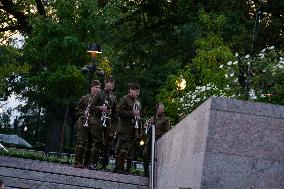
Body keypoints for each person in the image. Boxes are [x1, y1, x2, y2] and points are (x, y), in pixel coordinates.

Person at [89, 76, 117, 170]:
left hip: (108, 123)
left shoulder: (113, 97)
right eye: (110, 83)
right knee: (98, 142)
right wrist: (100, 108)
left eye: (113, 83)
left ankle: (104, 166)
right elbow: (91, 107)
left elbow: (115, 114)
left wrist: (114, 129)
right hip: (97, 121)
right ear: (105, 84)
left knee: (107, 144)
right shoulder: (99, 94)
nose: (112, 84)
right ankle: (92, 163)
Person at [113, 82, 141, 174]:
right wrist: (132, 114)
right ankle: (119, 168)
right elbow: (119, 112)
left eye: (138, 92)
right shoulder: (124, 99)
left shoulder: (137, 102)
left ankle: (117, 168)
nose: (138, 93)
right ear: (131, 91)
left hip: (132, 129)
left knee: (122, 148)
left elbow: (137, 116)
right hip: (124, 128)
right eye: (136, 91)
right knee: (123, 147)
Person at [74, 80, 101, 168]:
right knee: (81, 142)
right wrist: (83, 113)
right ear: (91, 88)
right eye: (96, 87)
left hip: (94, 124)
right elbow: (77, 110)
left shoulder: (100, 101)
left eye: (99, 88)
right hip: (83, 122)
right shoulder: (85, 98)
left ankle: (86, 163)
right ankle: (78, 162)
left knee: (91, 144)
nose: (98, 89)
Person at [142, 103, 171, 177]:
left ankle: (154, 174)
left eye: (159, 108)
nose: (157, 109)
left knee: (155, 158)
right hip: (149, 140)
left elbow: (167, 132)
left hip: (158, 141)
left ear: (163, 110)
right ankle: (146, 173)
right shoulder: (152, 118)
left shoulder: (166, 120)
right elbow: (148, 129)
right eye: (157, 108)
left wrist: (157, 133)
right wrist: (146, 126)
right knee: (145, 155)